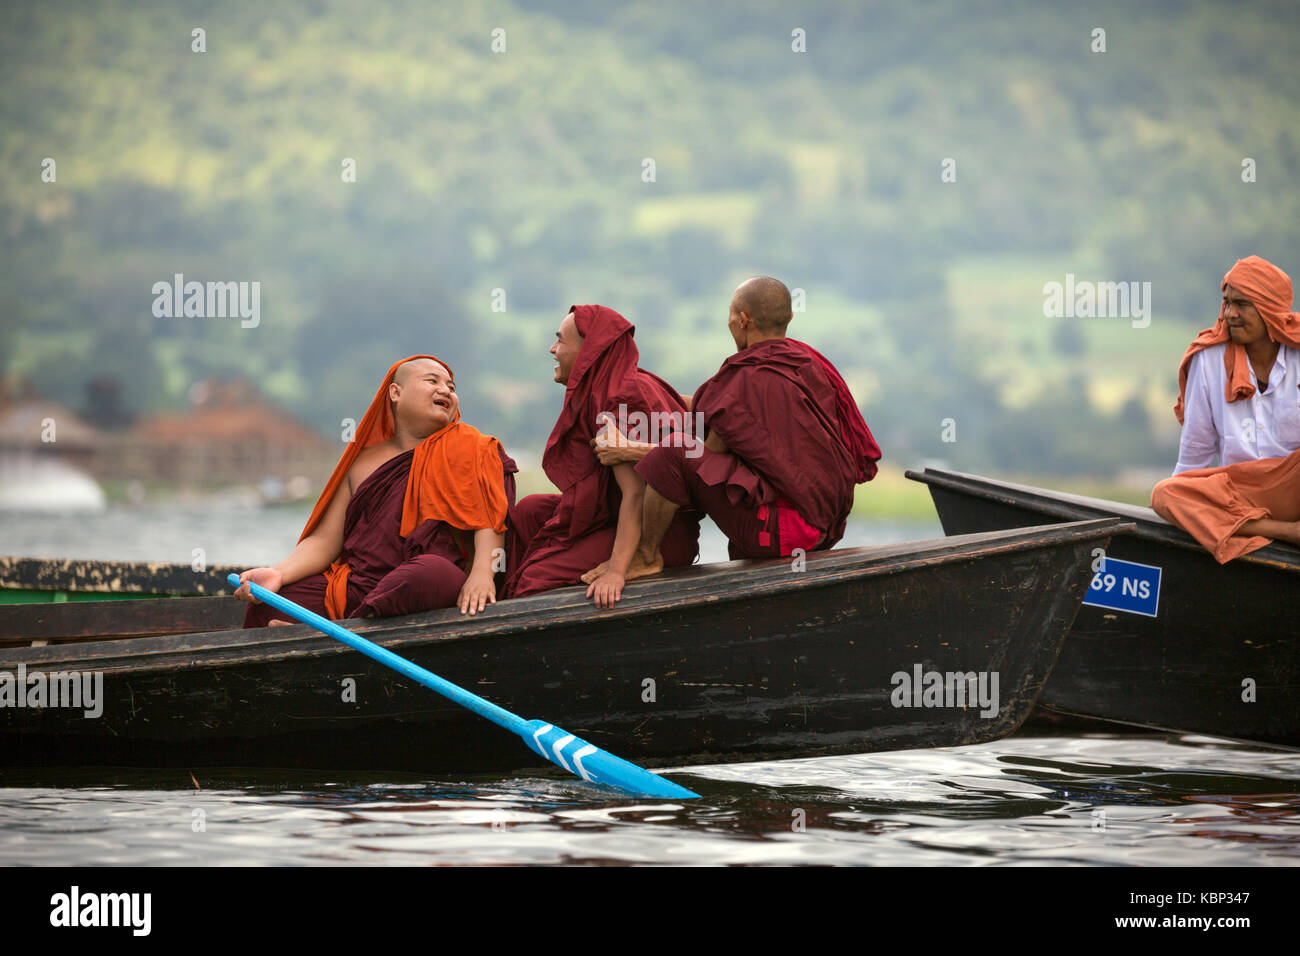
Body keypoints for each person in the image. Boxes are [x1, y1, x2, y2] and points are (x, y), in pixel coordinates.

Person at [583, 276, 881, 592]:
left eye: (729, 315)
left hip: (786, 533)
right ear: (789, 318)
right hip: (825, 527)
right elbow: (711, 410)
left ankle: (645, 556)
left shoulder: (746, 376)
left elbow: (706, 454)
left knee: (673, 452)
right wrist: (647, 390)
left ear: (742, 320)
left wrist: (628, 450)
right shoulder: (806, 362)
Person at [236, 355, 516, 626]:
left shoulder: (473, 447)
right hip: (359, 586)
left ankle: (328, 633)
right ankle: (343, 631)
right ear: (395, 392)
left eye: (451, 388)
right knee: (269, 602)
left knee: (425, 572)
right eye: (432, 381)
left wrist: (483, 574)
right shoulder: (362, 462)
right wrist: (277, 573)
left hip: (427, 582)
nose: (445, 390)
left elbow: (491, 521)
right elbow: (325, 542)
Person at [503, 305, 699, 607]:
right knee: (530, 511)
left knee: (535, 578)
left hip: (659, 537)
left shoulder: (620, 395)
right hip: (617, 513)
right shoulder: (606, 386)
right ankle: (495, 600)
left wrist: (617, 572)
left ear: (590, 350)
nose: (552, 349)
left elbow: (634, 495)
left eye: (560, 341)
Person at [1172, 255, 1300, 475]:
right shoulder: (1208, 359)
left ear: (1269, 310)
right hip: (1236, 487)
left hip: (1292, 485)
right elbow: (1194, 456)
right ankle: (1247, 512)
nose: (1230, 314)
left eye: (1242, 304)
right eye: (1227, 302)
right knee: (1167, 493)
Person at [1151, 450, 1300, 563]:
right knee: (1165, 493)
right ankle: (1288, 531)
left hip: (1291, 476)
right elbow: (1191, 464)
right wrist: (1182, 510)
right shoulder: (1203, 406)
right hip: (1236, 487)